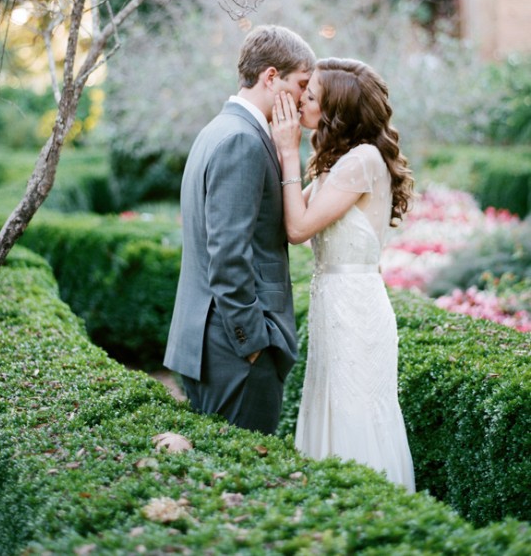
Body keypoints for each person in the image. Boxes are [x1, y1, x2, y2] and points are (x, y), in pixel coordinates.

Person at [270, 57, 416, 492]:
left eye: (310, 97)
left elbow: (297, 229)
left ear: (336, 112)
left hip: (355, 309)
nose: (299, 103)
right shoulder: (339, 162)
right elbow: (292, 216)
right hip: (336, 305)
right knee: (331, 407)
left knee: (355, 413)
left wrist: (285, 151)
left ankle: (369, 511)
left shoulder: (361, 161)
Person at [164, 24, 316, 434]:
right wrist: (252, 344)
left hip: (210, 343)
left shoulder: (218, 129)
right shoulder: (242, 141)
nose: (305, 97)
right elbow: (228, 255)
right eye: (301, 83)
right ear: (271, 77)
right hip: (232, 349)